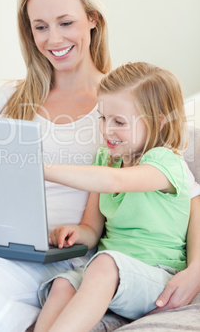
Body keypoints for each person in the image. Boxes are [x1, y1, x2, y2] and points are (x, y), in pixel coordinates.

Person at [0, 0, 198, 332]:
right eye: (40, 26)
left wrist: (196, 270)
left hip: (65, 256)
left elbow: (187, 194)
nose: (53, 39)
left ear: (92, 20)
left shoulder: (121, 106)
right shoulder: (6, 99)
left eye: (66, 23)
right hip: (2, 243)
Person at [34, 62, 192, 331]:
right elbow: (92, 230)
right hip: (107, 273)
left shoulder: (164, 163)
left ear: (159, 123)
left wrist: (38, 168)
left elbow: (114, 181)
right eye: (103, 118)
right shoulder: (106, 160)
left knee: (105, 264)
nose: (107, 130)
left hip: (156, 274)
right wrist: (75, 231)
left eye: (119, 122)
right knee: (63, 283)